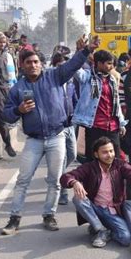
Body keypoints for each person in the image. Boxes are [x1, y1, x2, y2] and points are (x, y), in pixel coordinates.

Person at [0, 37, 100, 236]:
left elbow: (72, 66)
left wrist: (86, 50)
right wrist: (19, 110)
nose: (33, 65)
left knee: (55, 181)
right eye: (29, 62)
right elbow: (6, 114)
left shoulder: (54, 76)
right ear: (22, 65)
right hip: (34, 140)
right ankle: (14, 219)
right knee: (23, 180)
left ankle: (49, 215)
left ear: (41, 63)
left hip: (57, 136)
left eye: (36, 62)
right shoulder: (17, 89)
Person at [61, 137, 131, 248]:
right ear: (96, 154)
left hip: (113, 211)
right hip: (95, 208)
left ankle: (103, 229)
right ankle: (100, 229)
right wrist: (74, 182)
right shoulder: (89, 167)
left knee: (125, 239)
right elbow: (65, 177)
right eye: (105, 152)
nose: (109, 155)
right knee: (78, 198)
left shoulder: (120, 165)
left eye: (111, 151)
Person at [72, 39, 127, 162]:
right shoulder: (87, 76)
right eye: (108, 63)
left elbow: (116, 103)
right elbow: (74, 69)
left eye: (112, 64)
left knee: (115, 161)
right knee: (93, 162)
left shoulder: (112, 79)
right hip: (95, 126)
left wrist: (121, 123)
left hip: (113, 127)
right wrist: (79, 52)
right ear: (99, 64)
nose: (111, 67)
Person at [50, 52, 78, 205]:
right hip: (57, 128)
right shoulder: (51, 84)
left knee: (72, 155)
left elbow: (75, 100)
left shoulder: (71, 82)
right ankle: (63, 193)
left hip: (70, 124)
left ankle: (56, 173)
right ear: (54, 66)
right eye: (60, 65)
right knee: (61, 160)